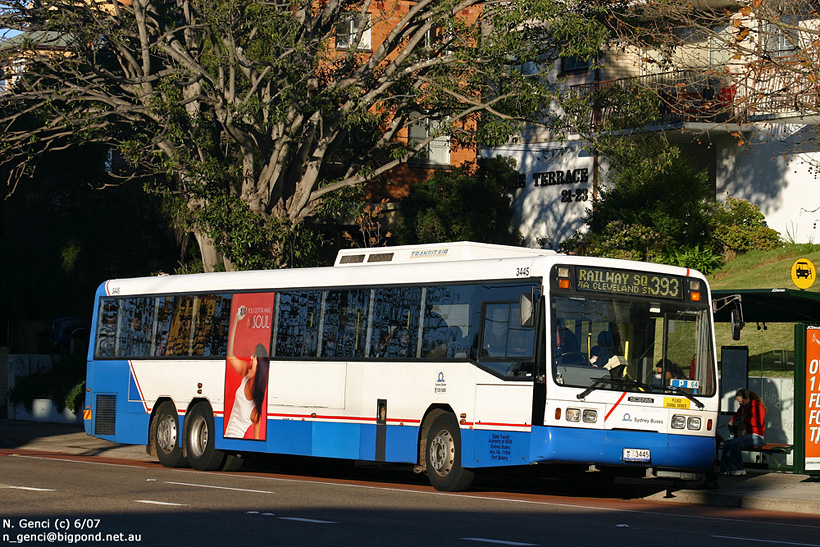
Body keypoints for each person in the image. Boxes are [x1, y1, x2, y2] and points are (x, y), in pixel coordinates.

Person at [225, 307, 270, 440]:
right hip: (226, 437)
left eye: (254, 357)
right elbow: (230, 356)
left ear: (261, 366)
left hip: (235, 441)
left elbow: (256, 442)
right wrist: (236, 321)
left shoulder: (256, 411)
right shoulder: (246, 372)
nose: (250, 357)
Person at [719, 388, 766, 476]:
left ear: (747, 399)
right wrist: (732, 422)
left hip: (756, 435)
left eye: (740, 401)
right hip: (744, 435)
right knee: (727, 443)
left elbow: (759, 422)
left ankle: (738, 468)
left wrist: (743, 421)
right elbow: (736, 416)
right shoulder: (742, 408)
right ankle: (723, 468)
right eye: (738, 401)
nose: (739, 403)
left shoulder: (757, 406)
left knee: (735, 443)